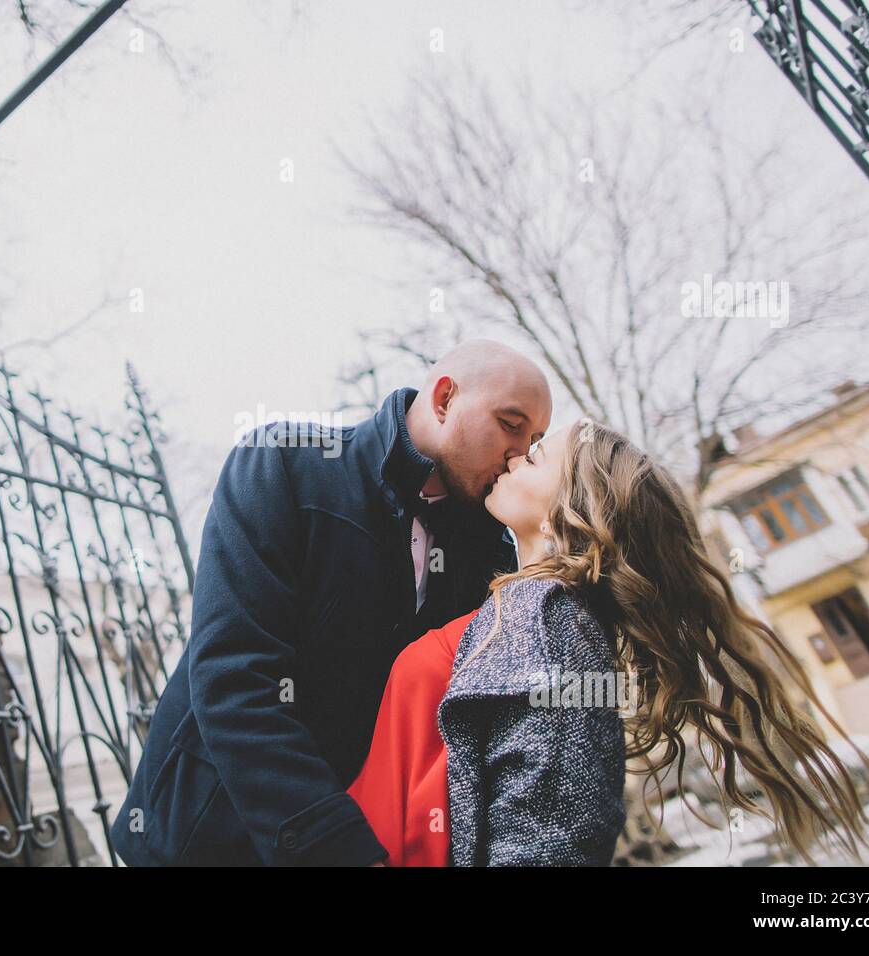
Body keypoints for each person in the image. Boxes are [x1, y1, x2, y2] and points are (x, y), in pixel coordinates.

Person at [347, 419, 869, 866]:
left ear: (576, 507)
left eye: (535, 457)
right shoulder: (527, 609)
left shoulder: (551, 618)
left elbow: (549, 840)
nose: (514, 457)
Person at [108, 340, 552, 865]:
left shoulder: (490, 547)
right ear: (444, 399)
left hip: (373, 834)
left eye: (536, 440)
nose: (520, 453)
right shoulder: (284, 464)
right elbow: (233, 677)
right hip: (206, 839)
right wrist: (339, 848)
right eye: (511, 423)